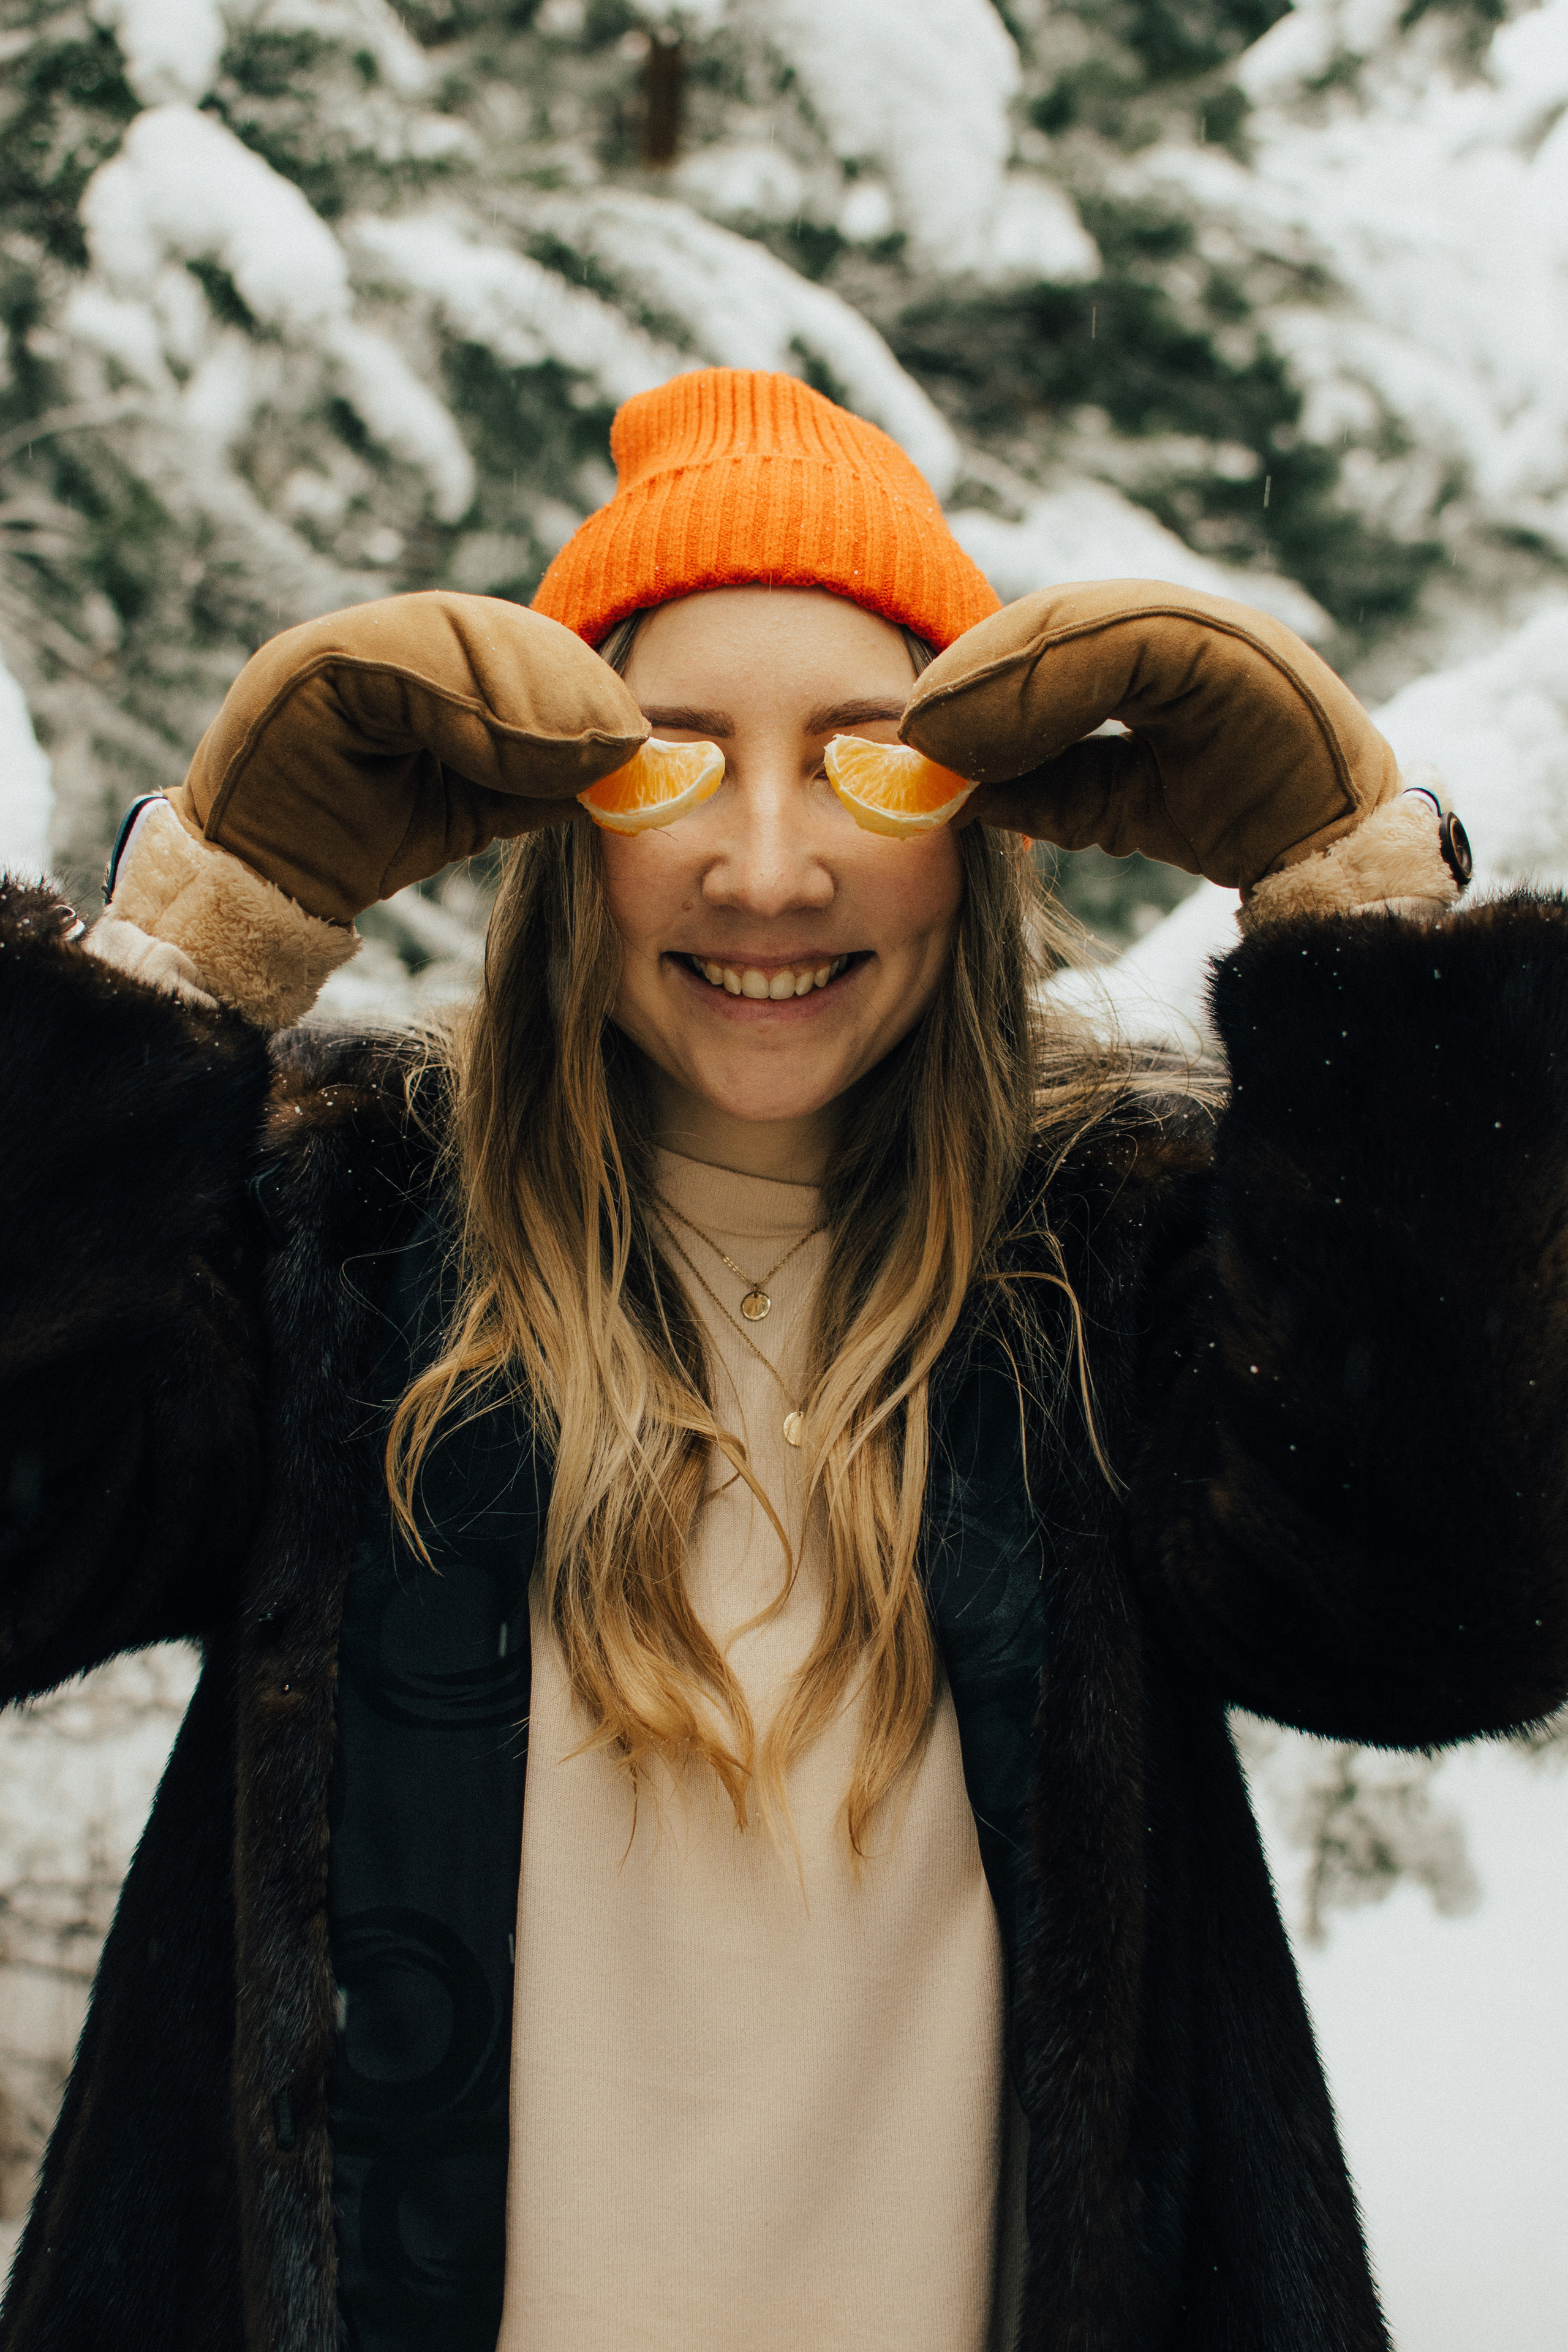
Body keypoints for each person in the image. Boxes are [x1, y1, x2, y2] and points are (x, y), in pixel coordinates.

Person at [0, 367, 1563, 2352]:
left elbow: (1451, 1614)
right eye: (667, 763)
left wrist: (1356, 906)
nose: (764, 865)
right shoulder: (344, 1251)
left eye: (866, 762)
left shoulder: (1111, 1276)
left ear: (985, 817)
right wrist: (182, 957)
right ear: (560, 821)